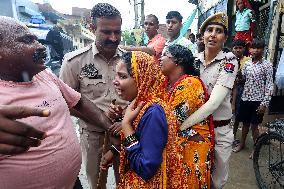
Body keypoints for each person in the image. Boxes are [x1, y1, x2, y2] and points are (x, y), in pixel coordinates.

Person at [0, 16, 115, 189]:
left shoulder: (45, 75)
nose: (40, 46)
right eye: (27, 40)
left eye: (37, 40)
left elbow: (78, 101)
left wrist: (110, 127)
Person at [60, 3, 128, 189]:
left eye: (117, 32)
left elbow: (143, 95)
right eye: (106, 32)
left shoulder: (130, 60)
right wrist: (101, 118)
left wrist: (127, 121)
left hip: (126, 133)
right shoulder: (74, 61)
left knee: (129, 183)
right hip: (92, 137)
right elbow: (66, 102)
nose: (113, 38)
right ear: (92, 28)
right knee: (97, 184)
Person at [180, 12, 239, 189]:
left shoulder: (229, 62)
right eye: (209, 30)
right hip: (196, 130)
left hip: (219, 131)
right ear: (202, 35)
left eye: (218, 31)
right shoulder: (193, 61)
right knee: (194, 176)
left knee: (216, 181)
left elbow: (213, 104)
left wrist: (181, 125)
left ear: (225, 38)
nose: (213, 34)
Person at [106, 51, 179, 188]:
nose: (115, 81)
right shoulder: (141, 103)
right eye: (116, 75)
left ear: (142, 78)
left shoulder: (154, 112)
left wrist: (126, 124)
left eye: (122, 76)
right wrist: (122, 118)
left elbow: (146, 169)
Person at [160, 44, 214, 188]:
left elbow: (169, 121)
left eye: (165, 55)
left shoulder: (190, 84)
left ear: (177, 61)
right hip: (179, 150)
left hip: (191, 152)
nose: (160, 58)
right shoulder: (168, 84)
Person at [233, 39, 273, 158]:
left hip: (258, 100)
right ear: (250, 49)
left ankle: (256, 148)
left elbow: (270, 85)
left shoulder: (267, 65)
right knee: (245, 124)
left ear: (263, 49)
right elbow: (242, 80)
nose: (255, 50)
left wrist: (264, 104)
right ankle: (242, 144)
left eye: (258, 48)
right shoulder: (248, 64)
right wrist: (239, 74)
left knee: (254, 126)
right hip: (245, 98)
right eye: (253, 48)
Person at [231, 39, 251, 145]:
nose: (238, 50)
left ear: (244, 49)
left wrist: (240, 77)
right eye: (236, 48)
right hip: (229, 89)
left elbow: (246, 78)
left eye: (240, 48)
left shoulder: (248, 61)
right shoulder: (229, 59)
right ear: (232, 49)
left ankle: (232, 137)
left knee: (237, 115)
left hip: (241, 90)